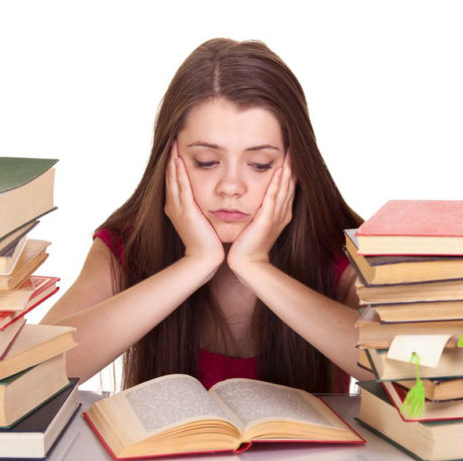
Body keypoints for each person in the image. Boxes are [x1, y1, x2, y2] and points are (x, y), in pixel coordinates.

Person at [41, 38, 373, 393]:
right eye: (206, 162)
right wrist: (195, 262)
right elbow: (35, 371)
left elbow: (406, 367)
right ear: (169, 158)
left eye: (260, 164)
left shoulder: (341, 249)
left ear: (296, 165)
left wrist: (255, 266)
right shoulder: (128, 244)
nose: (231, 186)